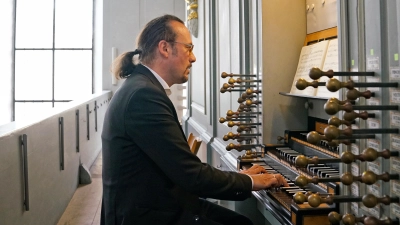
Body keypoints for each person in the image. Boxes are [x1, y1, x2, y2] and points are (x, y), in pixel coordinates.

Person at [101, 14, 288, 225]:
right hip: (147, 215)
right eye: (188, 48)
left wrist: (243, 178)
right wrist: (249, 181)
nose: (193, 58)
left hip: (156, 204)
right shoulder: (143, 96)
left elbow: (182, 169)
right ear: (164, 48)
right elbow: (191, 175)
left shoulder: (142, 87)